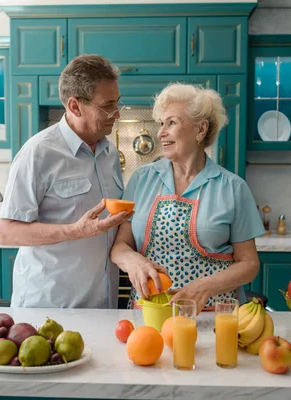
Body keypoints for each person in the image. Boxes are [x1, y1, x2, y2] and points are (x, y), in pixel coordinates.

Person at [110, 83, 265, 314]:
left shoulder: (232, 187)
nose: (161, 132)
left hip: (212, 315)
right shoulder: (142, 179)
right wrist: (134, 262)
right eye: (161, 123)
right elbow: (120, 246)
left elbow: (249, 264)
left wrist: (205, 286)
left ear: (200, 130)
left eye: (172, 122)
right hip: (151, 313)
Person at [0, 54, 132, 309]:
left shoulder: (110, 154)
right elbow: (7, 232)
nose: (116, 114)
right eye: (107, 105)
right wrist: (75, 231)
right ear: (74, 106)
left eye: (118, 103)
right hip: (49, 308)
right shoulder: (38, 153)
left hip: (101, 307)